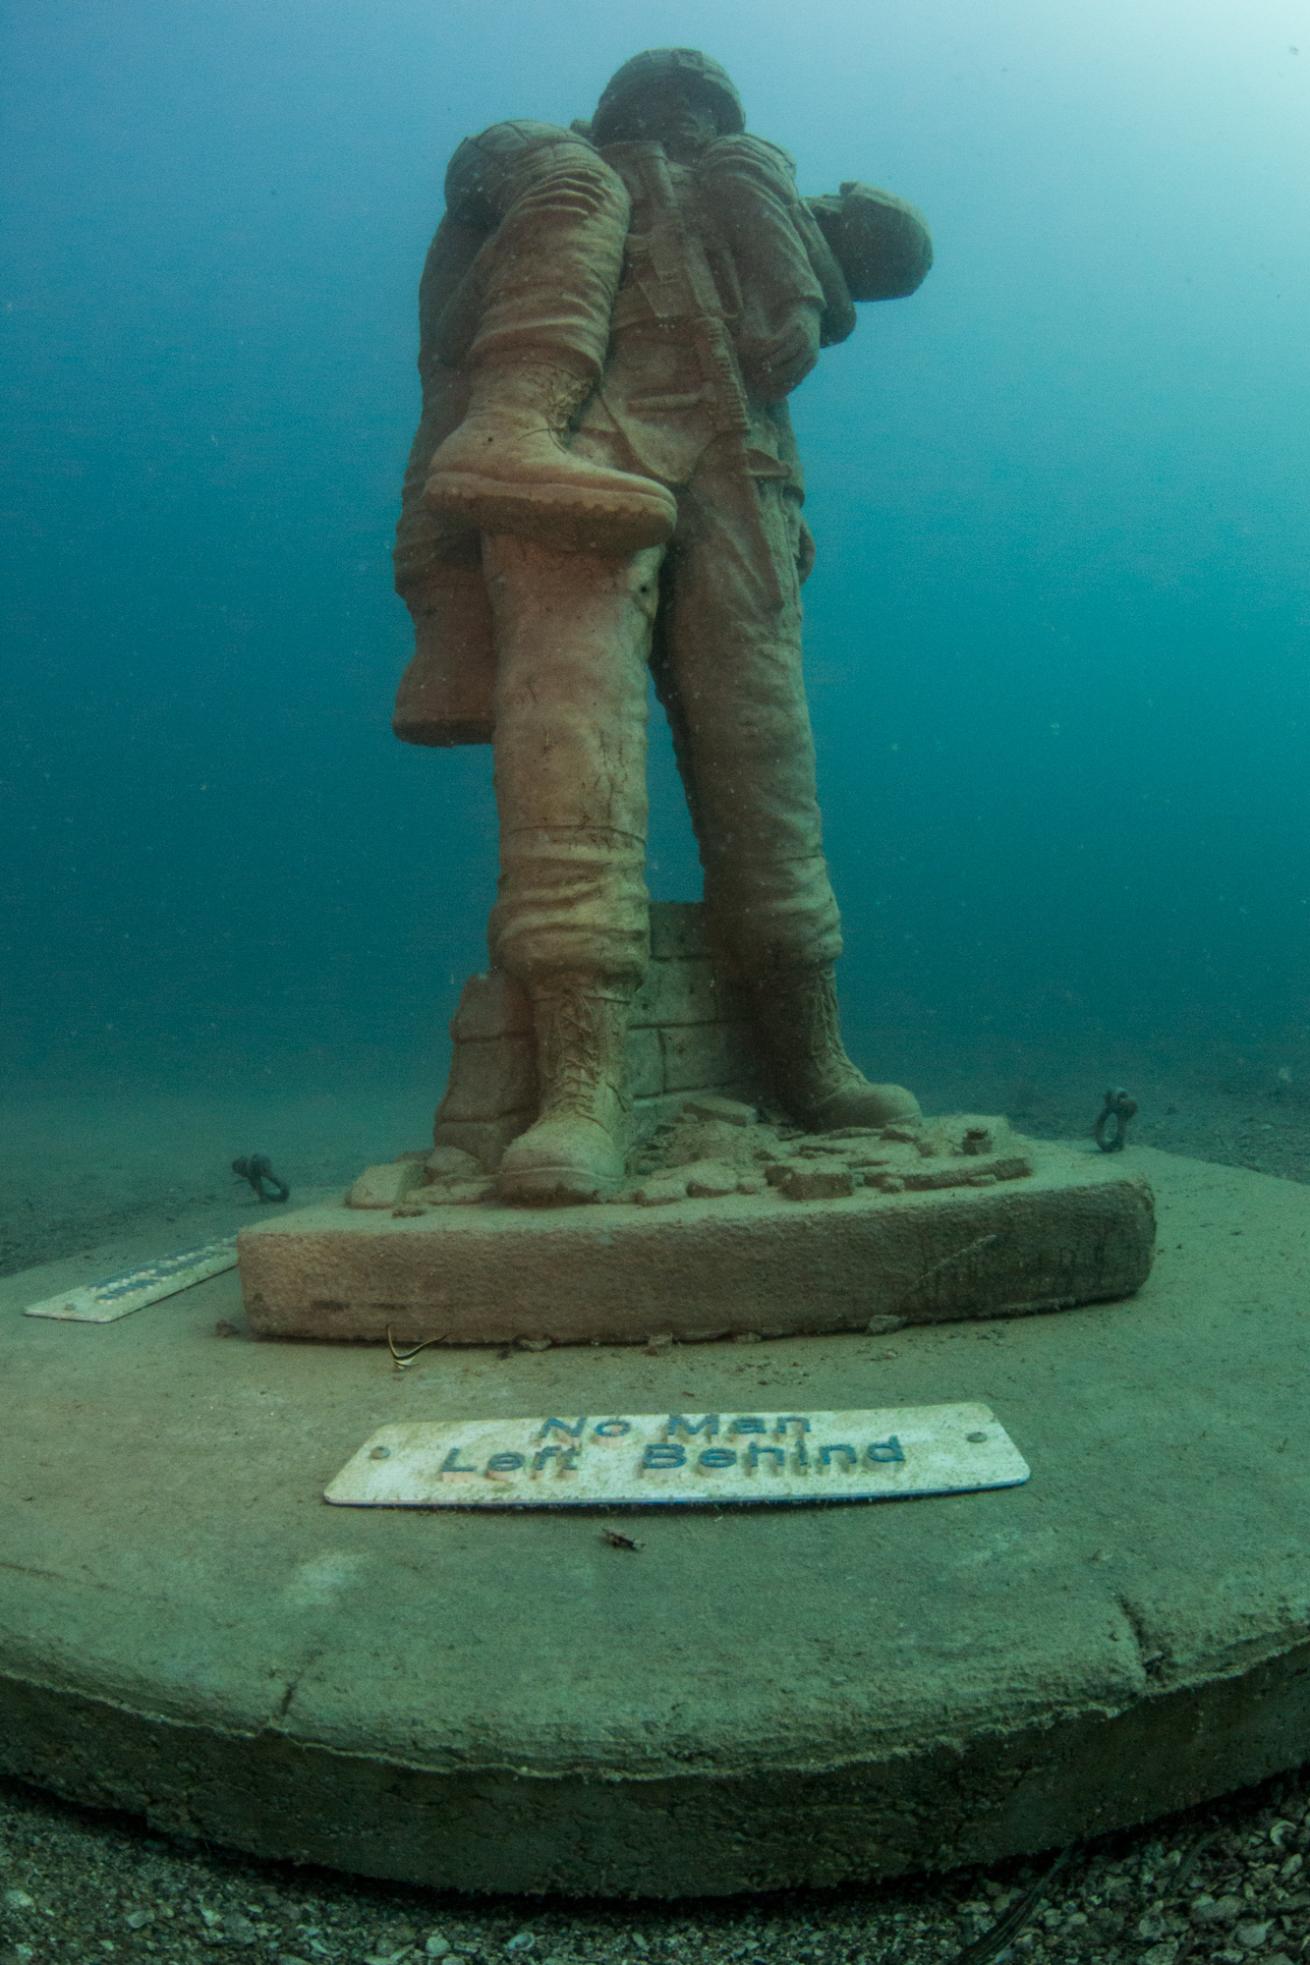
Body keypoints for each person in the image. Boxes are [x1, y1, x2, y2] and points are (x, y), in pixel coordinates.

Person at [394, 48, 934, 1204]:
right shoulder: (564, 181)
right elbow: (451, 314)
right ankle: (579, 1088)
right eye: (667, 100)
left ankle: (806, 1056)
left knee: (764, 765)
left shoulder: (760, 202)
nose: (684, 115)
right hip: (569, 459)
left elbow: (853, 278)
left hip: (740, 475)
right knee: (567, 756)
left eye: (704, 107)